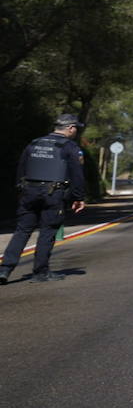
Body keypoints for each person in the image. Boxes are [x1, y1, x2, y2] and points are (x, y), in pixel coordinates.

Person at [2, 114, 87, 284]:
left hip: (29, 192)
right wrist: (78, 197)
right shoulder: (70, 147)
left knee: (22, 230)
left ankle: (4, 270)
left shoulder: (34, 143)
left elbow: (21, 168)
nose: (76, 131)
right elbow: (77, 174)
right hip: (53, 194)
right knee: (47, 231)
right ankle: (40, 272)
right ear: (70, 128)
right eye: (76, 128)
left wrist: (20, 190)